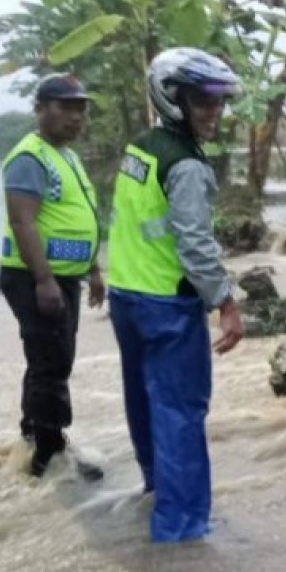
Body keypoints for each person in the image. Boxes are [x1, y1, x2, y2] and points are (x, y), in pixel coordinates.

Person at [105, 47, 244, 543]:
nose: (214, 111)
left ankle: (156, 492)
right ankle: (182, 533)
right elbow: (195, 243)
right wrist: (225, 302)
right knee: (181, 413)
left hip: (127, 297)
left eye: (219, 101)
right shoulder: (185, 165)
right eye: (202, 100)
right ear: (172, 98)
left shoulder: (141, 147)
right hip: (166, 303)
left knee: (145, 401)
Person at [0, 73, 105, 480]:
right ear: (40, 109)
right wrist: (43, 280)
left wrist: (92, 270)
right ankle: (49, 455)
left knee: (53, 359)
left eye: (81, 108)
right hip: (34, 278)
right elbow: (23, 221)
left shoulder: (66, 156)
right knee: (50, 362)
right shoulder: (30, 157)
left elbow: (77, 219)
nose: (76, 117)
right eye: (66, 107)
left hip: (63, 278)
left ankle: (36, 440)